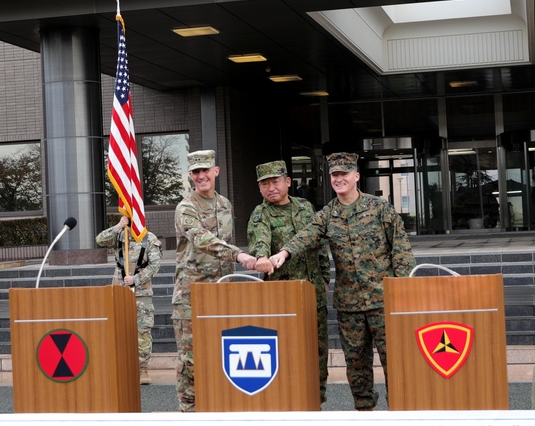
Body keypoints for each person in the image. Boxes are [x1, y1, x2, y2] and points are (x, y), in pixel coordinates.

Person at [270, 152, 415, 410]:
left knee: (396, 361)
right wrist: (284, 252)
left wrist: (404, 288)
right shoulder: (327, 215)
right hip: (350, 306)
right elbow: (307, 235)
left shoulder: (379, 208)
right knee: (357, 365)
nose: (339, 179)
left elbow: (401, 250)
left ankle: (401, 412)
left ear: (356, 176)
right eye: (335, 175)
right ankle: (364, 412)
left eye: (344, 174)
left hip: (384, 300)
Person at [173, 149, 261, 411]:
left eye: (205, 171)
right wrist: (240, 256)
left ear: (216, 171)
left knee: (220, 354)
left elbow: (227, 239)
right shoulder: (186, 207)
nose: (202, 176)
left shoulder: (224, 204)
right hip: (192, 295)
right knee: (191, 359)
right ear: (190, 176)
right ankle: (189, 412)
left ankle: (217, 408)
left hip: (221, 295)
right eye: (196, 172)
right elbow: (202, 239)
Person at [246, 160, 332, 402]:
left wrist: (325, 277)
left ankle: (317, 400)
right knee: (285, 350)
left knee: (317, 349)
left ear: (287, 182)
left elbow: (318, 244)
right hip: (281, 297)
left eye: (275, 182)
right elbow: (259, 239)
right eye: (265, 184)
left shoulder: (305, 207)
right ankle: (287, 401)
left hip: (312, 291)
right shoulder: (260, 213)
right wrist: (261, 257)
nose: (271, 188)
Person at [96, 216, 163, 385]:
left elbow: (155, 265)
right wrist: (118, 226)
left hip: (141, 294)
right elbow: (100, 240)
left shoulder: (150, 239)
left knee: (142, 333)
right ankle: (121, 368)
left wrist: (136, 279)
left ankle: (142, 370)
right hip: (119, 291)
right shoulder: (119, 236)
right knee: (118, 332)